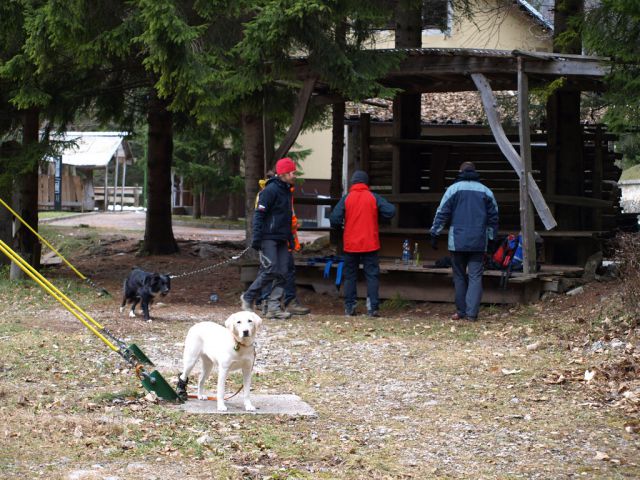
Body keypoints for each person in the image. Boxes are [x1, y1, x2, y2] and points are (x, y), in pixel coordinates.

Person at [430, 161, 499, 321]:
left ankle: (461, 311)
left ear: (460, 171)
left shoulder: (453, 190)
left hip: (457, 241)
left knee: (459, 276)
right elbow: (494, 218)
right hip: (478, 241)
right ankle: (472, 314)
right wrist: (491, 238)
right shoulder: (486, 192)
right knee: (475, 276)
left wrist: (434, 233)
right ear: (475, 172)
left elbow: (442, 213)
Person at [329, 170, 396, 317]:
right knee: (372, 275)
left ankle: (349, 307)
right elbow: (391, 211)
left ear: (353, 183)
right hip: (370, 244)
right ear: (366, 183)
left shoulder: (347, 198)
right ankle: (372, 308)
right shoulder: (373, 197)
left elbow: (334, 218)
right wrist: (378, 216)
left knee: (350, 276)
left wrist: (340, 227)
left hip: (351, 244)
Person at [241, 158, 298, 319]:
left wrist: (290, 239)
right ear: (285, 174)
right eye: (293, 172)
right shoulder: (270, 190)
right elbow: (259, 215)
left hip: (281, 238)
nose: (295, 175)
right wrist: (257, 238)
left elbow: (286, 218)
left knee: (283, 271)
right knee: (270, 269)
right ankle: (248, 297)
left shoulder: (287, 190)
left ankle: (273, 307)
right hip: (268, 237)